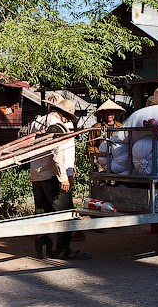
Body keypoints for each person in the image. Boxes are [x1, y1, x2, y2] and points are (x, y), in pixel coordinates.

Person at [28, 93, 83, 260]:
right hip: (52, 174)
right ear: (64, 114)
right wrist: (63, 178)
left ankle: (43, 251)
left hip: (36, 173)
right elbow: (58, 153)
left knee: (41, 213)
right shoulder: (57, 125)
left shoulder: (37, 122)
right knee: (65, 213)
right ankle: (62, 250)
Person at [87, 99, 125, 170]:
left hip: (118, 160)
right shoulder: (96, 127)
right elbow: (90, 145)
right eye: (106, 112)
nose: (109, 114)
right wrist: (94, 161)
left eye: (111, 112)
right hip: (101, 160)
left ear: (115, 114)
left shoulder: (121, 127)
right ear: (103, 114)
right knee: (102, 180)